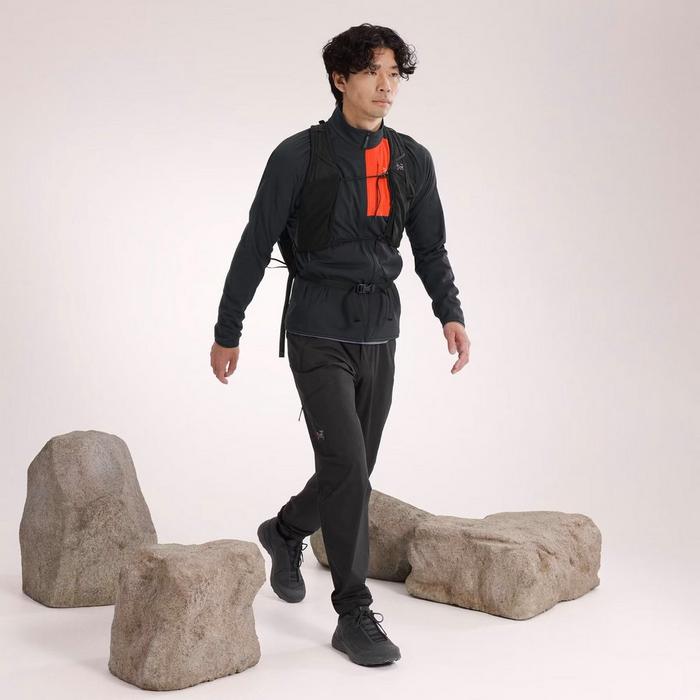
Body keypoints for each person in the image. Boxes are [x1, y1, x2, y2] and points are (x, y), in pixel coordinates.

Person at [210, 23, 470, 666]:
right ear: (339, 79)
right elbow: (256, 242)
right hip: (317, 327)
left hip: (379, 329)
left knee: (354, 467)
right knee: (348, 465)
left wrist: (450, 312)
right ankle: (353, 612)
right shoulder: (298, 156)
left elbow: (430, 247)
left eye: (394, 73)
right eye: (372, 72)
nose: (386, 85)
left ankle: (286, 529)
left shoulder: (411, 160)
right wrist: (228, 329)